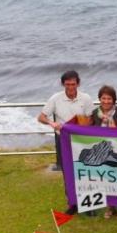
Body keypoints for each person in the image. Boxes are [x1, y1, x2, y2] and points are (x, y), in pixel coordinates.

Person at [38, 70, 95, 213]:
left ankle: (89, 205)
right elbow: (41, 117)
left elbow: (91, 119)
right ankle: (72, 203)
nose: (71, 87)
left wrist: (84, 123)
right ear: (63, 84)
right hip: (63, 139)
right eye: (68, 84)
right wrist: (52, 123)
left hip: (81, 140)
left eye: (73, 84)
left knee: (85, 171)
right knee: (68, 171)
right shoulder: (55, 98)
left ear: (78, 83)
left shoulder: (86, 98)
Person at [90, 85, 117, 219]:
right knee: (104, 179)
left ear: (114, 100)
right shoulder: (94, 113)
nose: (106, 101)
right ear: (99, 99)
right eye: (104, 98)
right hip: (101, 152)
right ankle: (110, 207)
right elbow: (88, 131)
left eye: (109, 98)